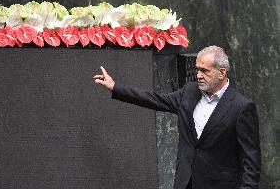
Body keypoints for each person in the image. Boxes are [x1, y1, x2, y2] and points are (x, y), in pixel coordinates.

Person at [93, 45, 261, 189]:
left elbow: (251, 159)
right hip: (185, 182)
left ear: (221, 73)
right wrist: (115, 87)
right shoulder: (189, 91)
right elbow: (155, 99)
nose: (198, 75)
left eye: (205, 71)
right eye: (197, 69)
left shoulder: (242, 107)